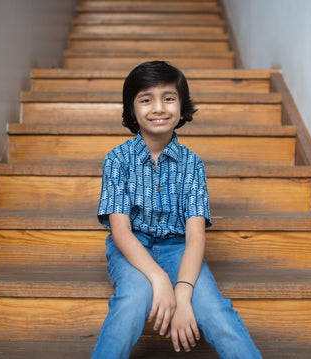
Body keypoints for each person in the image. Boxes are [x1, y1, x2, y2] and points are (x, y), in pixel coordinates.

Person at [92, 61, 262, 359]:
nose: (158, 107)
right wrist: (159, 280)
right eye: (146, 99)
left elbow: (195, 237)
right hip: (133, 246)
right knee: (133, 299)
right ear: (132, 110)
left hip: (181, 248)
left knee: (214, 310)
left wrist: (182, 294)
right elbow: (120, 231)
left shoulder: (193, 164)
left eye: (168, 98)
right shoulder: (117, 159)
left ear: (182, 108)